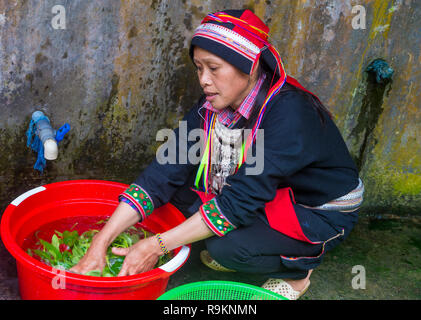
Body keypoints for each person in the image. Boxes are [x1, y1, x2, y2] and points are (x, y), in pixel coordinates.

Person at [70, 9, 364, 300]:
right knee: (174, 201)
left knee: (228, 249)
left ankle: (298, 273)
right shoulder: (212, 104)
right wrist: (101, 240)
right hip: (268, 193)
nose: (203, 80)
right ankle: (247, 239)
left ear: (248, 67)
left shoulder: (289, 114)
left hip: (313, 209)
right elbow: (165, 169)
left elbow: (240, 199)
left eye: (213, 68)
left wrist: (155, 246)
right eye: (199, 68)